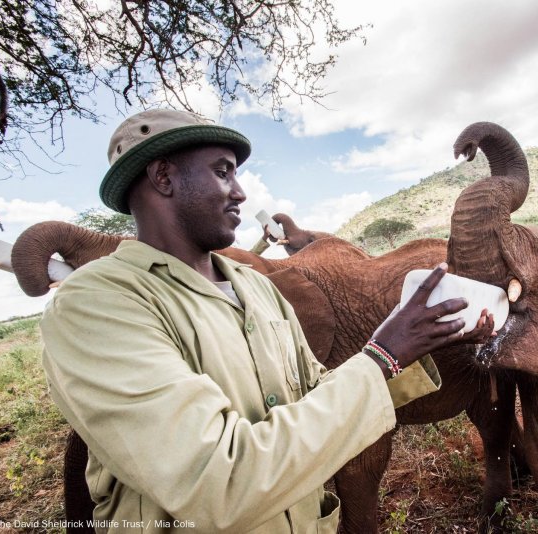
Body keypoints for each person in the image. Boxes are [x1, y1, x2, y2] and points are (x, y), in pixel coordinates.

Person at [40, 109, 493, 533]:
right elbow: (216, 482)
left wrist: (415, 344)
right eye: (222, 171)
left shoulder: (254, 287)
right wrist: (381, 357)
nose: (239, 192)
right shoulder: (96, 302)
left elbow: (312, 391)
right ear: (163, 177)